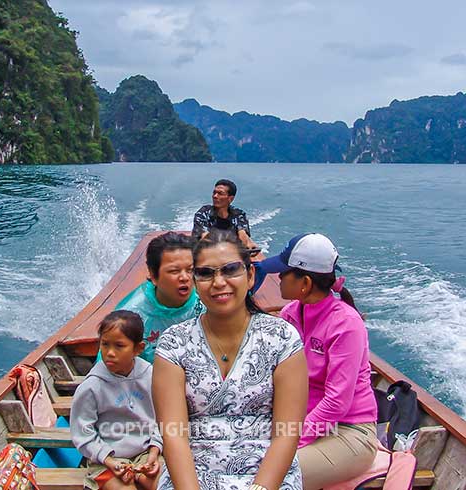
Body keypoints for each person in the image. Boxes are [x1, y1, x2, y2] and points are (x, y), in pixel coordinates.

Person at [153, 231, 308, 490]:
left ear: (249, 277)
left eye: (230, 270)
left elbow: (287, 433)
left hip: (267, 478)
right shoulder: (173, 345)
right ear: (195, 281)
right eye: (205, 273)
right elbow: (174, 436)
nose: (218, 282)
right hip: (191, 477)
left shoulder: (282, 338)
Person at [255, 233, 378, 490]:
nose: (278, 278)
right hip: (297, 421)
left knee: (268, 475)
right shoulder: (291, 314)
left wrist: (289, 441)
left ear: (305, 282)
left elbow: (337, 402)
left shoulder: (346, 324)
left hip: (347, 432)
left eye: (284, 272)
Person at [72, 310, 163, 490]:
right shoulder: (91, 387)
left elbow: (163, 419)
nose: (110, 353)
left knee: (164, 484)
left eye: (119, 346)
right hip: (106, 460)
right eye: (105, 345)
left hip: (145, 453)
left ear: (138, 349)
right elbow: (83, 432)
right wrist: (109, 460)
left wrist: (154, 452)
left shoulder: (151, 376)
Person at [104, 232, 203, 364]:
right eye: (174, 271)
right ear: (153, 276)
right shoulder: (131, 314)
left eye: (190, 270)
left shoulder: (206, 301)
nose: (185, 277)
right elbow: (109, 367)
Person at [192, 179, 260, 255]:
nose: (215, 196)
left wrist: (248, 243)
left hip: (233, 256)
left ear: (230, 198)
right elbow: (204, 238)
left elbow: (243, 236)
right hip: (207, 255)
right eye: (214, 193)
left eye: (220, 193)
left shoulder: (239, 214)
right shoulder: (204, 212)